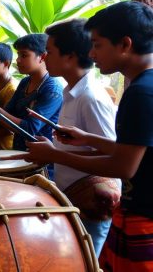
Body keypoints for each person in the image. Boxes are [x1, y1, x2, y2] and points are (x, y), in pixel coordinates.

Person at [6, 1, 153, 271]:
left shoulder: (139, 92)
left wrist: (54, 154)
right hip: (131, 210)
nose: (92, 53)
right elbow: (128, 150)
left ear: (125, 44)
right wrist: (87, 138)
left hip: (137, 213)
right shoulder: (140, 87)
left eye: (97, 44)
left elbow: (123, 165)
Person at [44, 19, 117, 256]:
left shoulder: (91, 97)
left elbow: (113, 156)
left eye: (49, 51)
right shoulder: (72, 92)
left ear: (70, 57)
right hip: (73, 197)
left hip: (91, 203)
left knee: (87, 262)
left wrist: (54, 154)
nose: (44, 57)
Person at [0, 34, 63, 152]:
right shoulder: (25, 82)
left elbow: (30, 129)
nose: (18, 60)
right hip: (19, 151)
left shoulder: (52, 89)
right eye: (18, 54)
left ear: (42, 57)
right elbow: (8, 115)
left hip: (42, 158)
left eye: (24, 55)